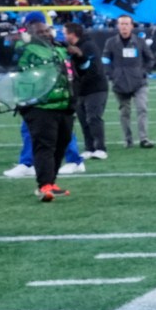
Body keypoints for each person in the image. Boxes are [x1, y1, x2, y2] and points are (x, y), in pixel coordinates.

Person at [13, 13, 77, 201]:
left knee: (61, 144)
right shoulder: (24, 49)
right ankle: (44, 185)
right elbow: (5, 54)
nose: (45, 34)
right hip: (40, 105)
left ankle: (51, 181)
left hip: (63, 104)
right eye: (40, 31)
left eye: (46, 30)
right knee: (45, 145)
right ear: (31, 33)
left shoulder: (58, 48)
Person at [105, 13, 155, 148]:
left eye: (126, 24)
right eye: (121, 24)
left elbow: (150, 59)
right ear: (118, 26)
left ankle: (144, 138)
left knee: (142, 109)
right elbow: (105, 60)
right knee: (124, 112)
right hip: (119, 82)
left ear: (132, 26)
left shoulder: (140, 42)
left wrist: (143, 72)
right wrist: (112, 74)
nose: (124, 26)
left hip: (139, 82)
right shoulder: (110, 43)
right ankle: (128, 139)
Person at [69, 24, 110, 161]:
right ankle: (89, 148)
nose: (63, 35)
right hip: (81, 90)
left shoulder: (88, 46)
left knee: (93, 118)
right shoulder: (73, 48)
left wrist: (78, 81)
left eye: (65, 32)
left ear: (73, 33)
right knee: (83, 120)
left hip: (96, 88)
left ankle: (100, 148)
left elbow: (94, 70)